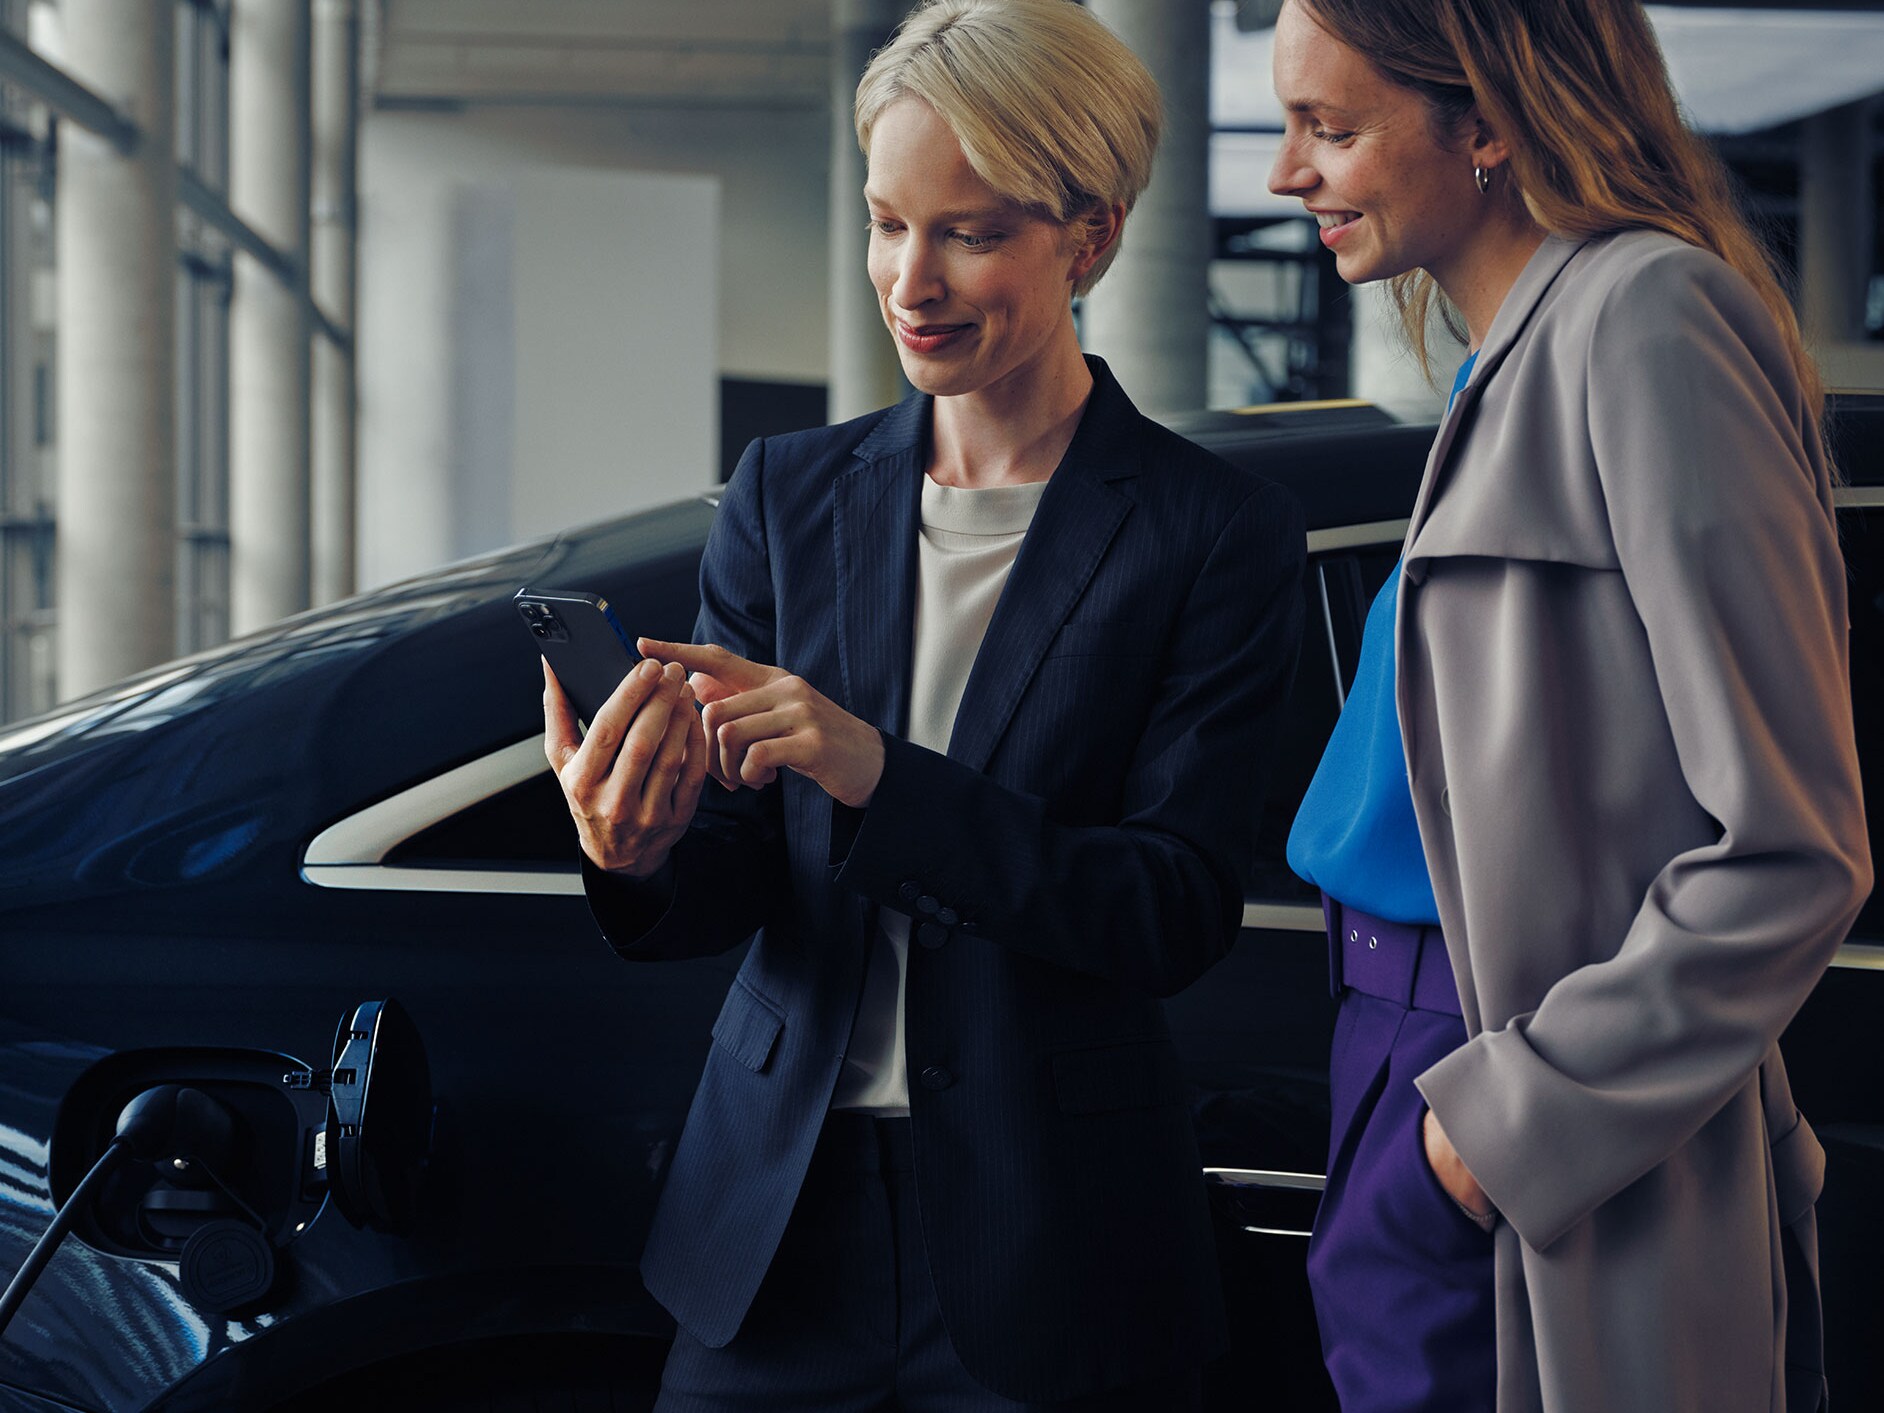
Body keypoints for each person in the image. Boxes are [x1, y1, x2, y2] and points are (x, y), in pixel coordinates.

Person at [543, 1, 1306, 1407]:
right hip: (772, 1231)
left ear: (1095, 235)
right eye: (890, 222)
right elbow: (737, 873)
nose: (912, 277)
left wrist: (875, 771)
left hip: (1055, 1247)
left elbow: (1173, 906)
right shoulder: (786, 495)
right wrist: (637, 849)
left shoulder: (1212, 534)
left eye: (972, 230)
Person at [1270, 1, 1871, 1410]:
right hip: (1411, 1062)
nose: (1286, 174)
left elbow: (1793, 851)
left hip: (1507, 1094)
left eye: (1332, 127)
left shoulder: (1649, 319)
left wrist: (1488, 1141)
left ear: (1484, 119)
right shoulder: (1518, 353)